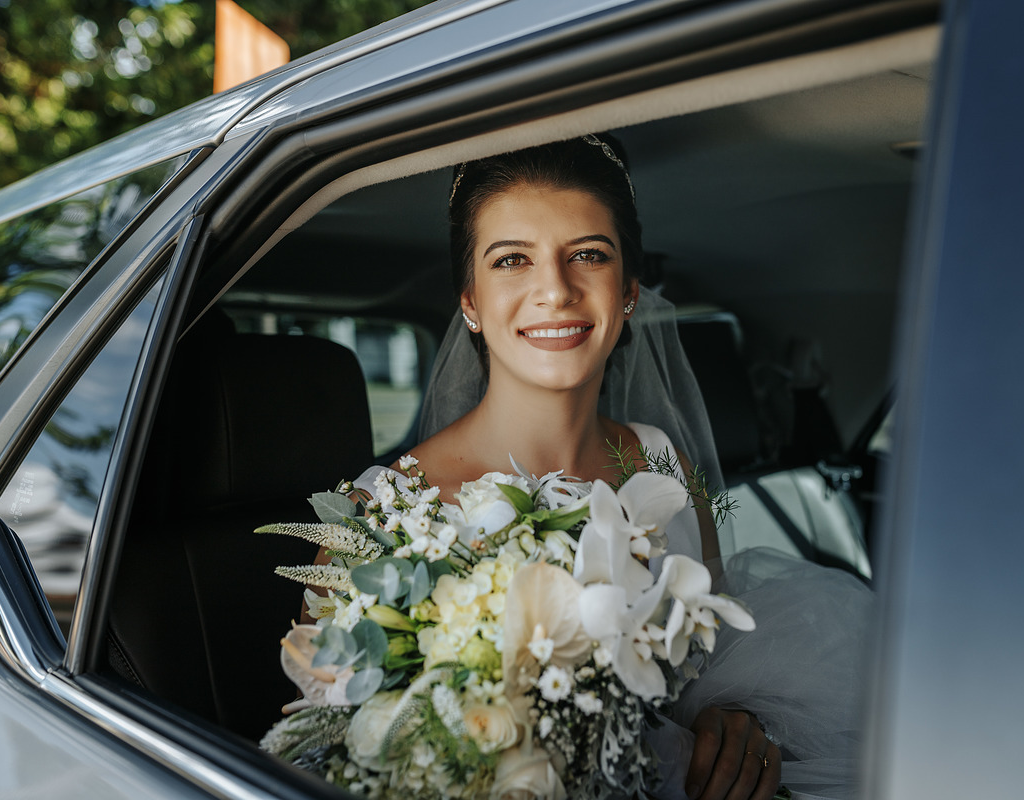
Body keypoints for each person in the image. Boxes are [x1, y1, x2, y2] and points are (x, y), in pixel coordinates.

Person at [324, 136, 872, 800]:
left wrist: (731, 721)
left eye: (587, 254)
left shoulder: (665, 462)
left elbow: (713, 659)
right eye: (511, 261)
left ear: (630, 292)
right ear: (469, 300)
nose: (554, 289)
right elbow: (344, 755)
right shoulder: (379, 516)